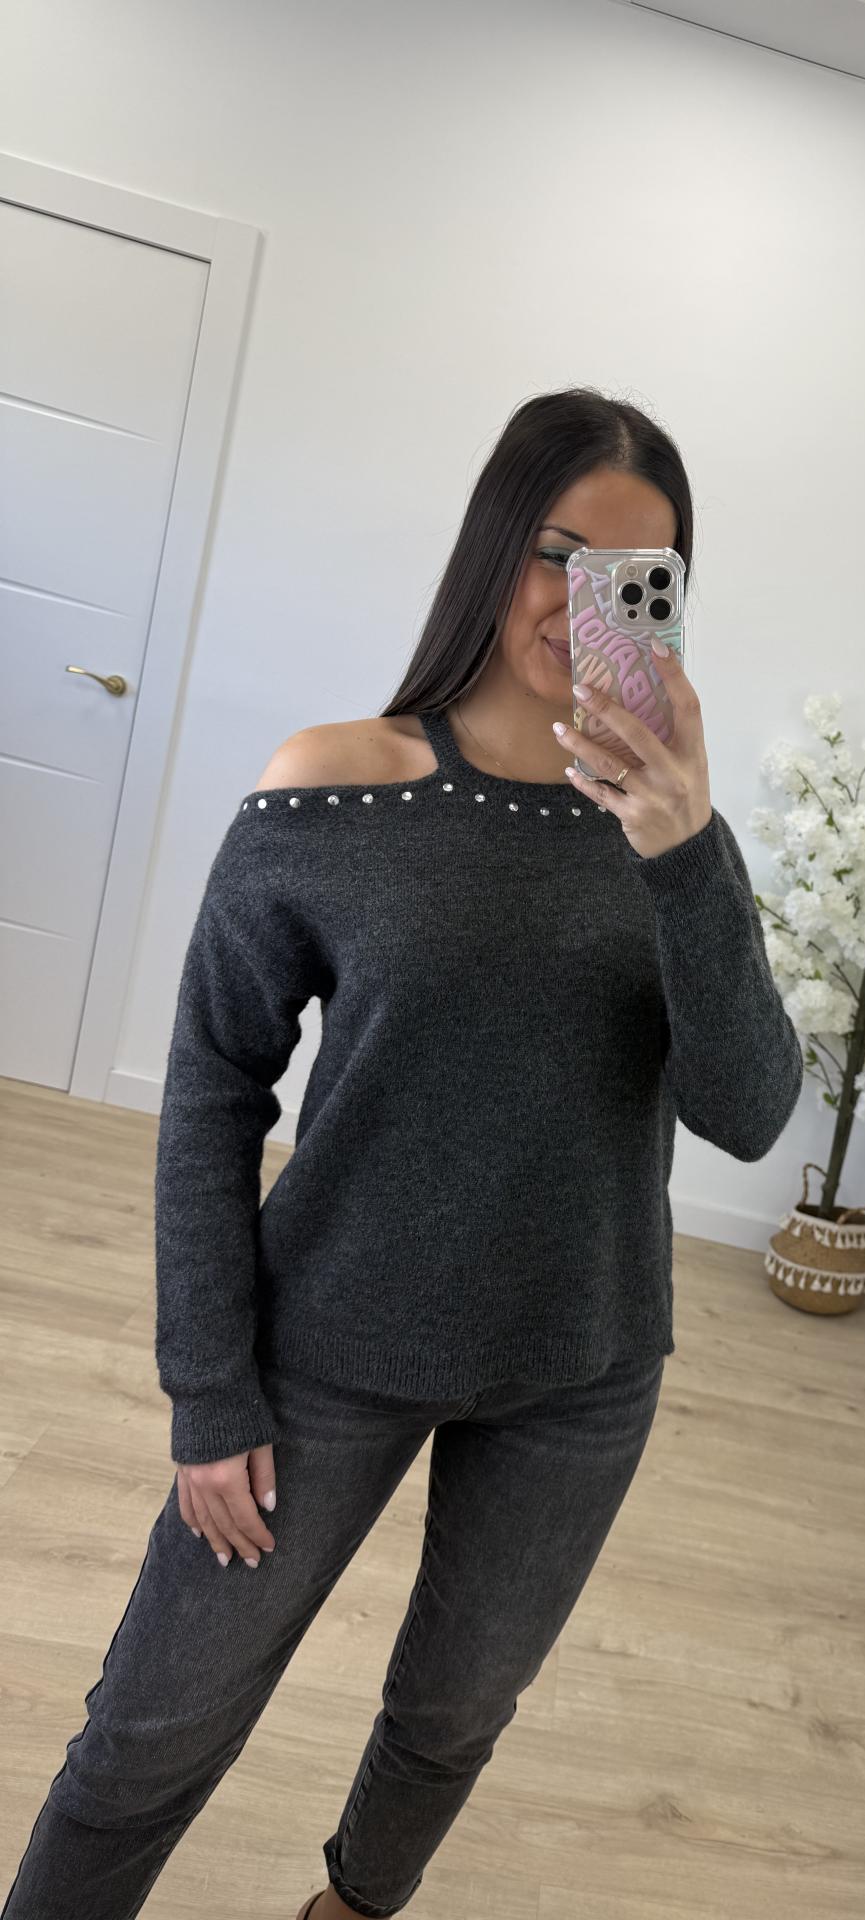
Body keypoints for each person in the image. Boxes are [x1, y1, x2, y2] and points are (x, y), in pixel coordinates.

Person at [2, 387, 804, 1918]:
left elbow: (750, 1113)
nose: (581, 603)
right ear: (494, 545)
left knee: (454, 1714)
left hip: (581, 1364)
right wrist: (209, 1387)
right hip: (328, 1348)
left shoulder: (676, 835)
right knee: (155, 1724)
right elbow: (215, 1091)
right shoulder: (336, 783)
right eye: (558, 554)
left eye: (635, 575)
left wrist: (684, 850)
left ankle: (352, 1909)